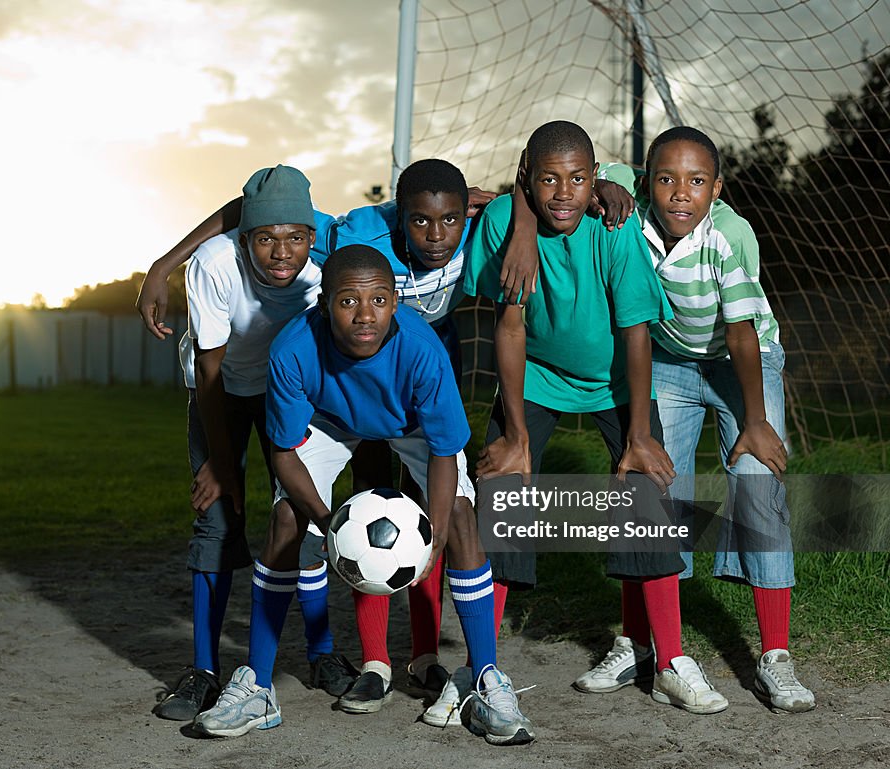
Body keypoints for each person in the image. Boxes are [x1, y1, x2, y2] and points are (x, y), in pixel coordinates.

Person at [193, 244, 536, 746]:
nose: (364, 314)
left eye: (378, 299)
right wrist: (328, 521)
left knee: (462, 516)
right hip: (328, 421)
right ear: (324, 304)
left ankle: (485, 679)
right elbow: (284, 452)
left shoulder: (422, 350)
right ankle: (257, 687)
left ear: (395, 301)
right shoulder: (293, 349)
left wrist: (434, 536)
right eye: (348, 301)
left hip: (410, 424)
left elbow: (443, 452)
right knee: (287, 518)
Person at [466, 120, 729, 715]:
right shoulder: (505, 226)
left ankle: (668, 661)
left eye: (579, 179)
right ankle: (483, 670)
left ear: (596, 181)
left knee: (646, 492)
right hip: (534, 375)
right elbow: (507, 328)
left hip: (614, 381)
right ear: (526, 180)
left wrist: (637, 435)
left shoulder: (616, 228)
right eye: (549, 180)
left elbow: (636, 334)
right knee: (501, 494)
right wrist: (515, 435)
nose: (564, 192)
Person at [596, 125, 815, 713]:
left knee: (757, 486)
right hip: (668, 361)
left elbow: (740, 333)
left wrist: (755, 418)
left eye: (696, 182)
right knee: (650, 489)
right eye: (665, 180)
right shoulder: (626, 200)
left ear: (716, 189)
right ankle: (636, 643)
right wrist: (590, 185)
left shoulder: (731, 235)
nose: (679, 194)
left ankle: (775, 658)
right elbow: (569, 176)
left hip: (741, 361)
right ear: (646, 183)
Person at [151, 165, 357, 724]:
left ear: (312, 235)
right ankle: (204, 671)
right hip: (220, 391)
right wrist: (223, 464)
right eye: (265, 239)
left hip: (289, 392)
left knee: (300, 516)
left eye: (294, 237)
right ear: (245, 240)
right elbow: (211, 372)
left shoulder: (328, 267)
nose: (280, 252)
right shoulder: (214, 265)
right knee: (216, 520)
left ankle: (322, 653)